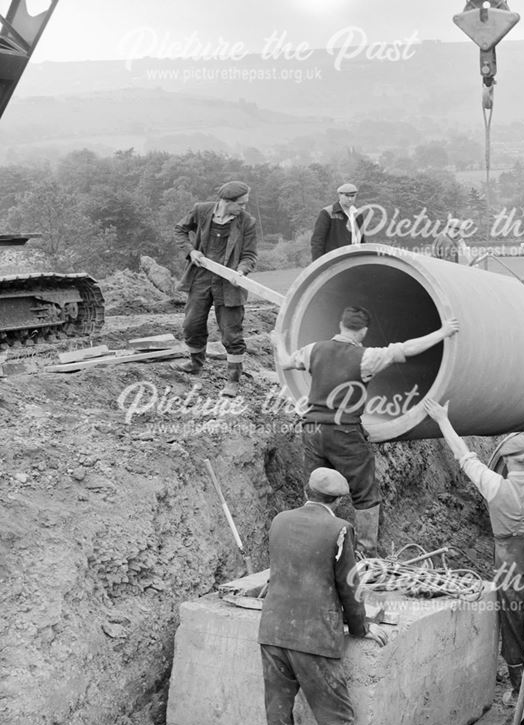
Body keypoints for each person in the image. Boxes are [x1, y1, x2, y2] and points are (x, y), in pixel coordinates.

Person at [258, 467, 397, 725]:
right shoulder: (339, 529)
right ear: (339, 501)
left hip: (273, 631)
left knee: (277, 719)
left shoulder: (280, 520)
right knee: (338, 719)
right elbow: (348, 588)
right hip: (314, 637)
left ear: (307, 490)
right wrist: (361, 627)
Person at [270, 307, 460, 557]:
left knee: (316, 489)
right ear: (364, 331)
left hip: (312, 429)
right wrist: (442, 332)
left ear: (340, 325)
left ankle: (312, 547)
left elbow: (285, 362)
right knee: (365, 493)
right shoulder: (367, 357)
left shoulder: (313, 349)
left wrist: (277, 342)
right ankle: (365, 553)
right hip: (344, 433)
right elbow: (406, 349)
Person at [423, 399, 524, 703]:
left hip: (508, 564)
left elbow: (463, 455)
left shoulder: (492, 484)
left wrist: (442, 419)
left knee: (511, 620)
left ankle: (517, 686)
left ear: (506, 461)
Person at [172, 181, 258, 397]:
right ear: (226, 202)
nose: (244, 208)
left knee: (231, 334)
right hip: (200, 277)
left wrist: (241, 271)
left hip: (229, 283)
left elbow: (249, 255)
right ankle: (195, 363)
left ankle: (233, 380)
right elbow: (180, 230)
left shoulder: (246, 222)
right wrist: (191, 252)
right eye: (241, 204)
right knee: (191, 326)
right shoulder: (201, 210)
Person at [311, 182, 365, 260]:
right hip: (335, 260)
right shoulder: (327, 212)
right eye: (347, 196)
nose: (350, 199)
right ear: (339, 195)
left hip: (355, 260)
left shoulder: (358, 214)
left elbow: (362, 241)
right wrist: (318, 264)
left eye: (352, 196)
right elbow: (317, 241)